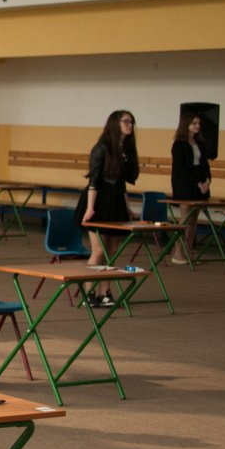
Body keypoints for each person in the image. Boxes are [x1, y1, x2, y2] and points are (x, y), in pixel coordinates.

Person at [80, 110, 138, 306]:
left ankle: (104, 293)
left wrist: (128, 208)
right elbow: (94, 181)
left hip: (116, 203)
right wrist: (90, 209)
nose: (130, 125)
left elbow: (122, 185)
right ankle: (88, 292)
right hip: (99, 202)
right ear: (115, 123)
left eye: (132, 122)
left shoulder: (125, 151)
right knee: (98, 251)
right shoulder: (101, 148)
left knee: (112, 251)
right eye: (126, 121)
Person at [169, 111, 212, 265]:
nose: (197, 126)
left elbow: (204, 164)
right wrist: (196, 183)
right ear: (186, 125)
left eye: (199, 123)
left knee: (194, 220)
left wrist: (207, 181)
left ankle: (188, 251)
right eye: (194, 123)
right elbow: (181, 168)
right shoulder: (178, 144)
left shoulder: (200, 143)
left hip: (199, 182)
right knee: (185, 218)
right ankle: (177, 252)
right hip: (184, 184)